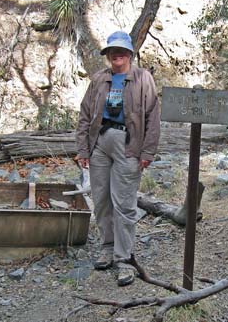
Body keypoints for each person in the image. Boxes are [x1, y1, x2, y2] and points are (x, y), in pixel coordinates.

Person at [76, 31, 161, 286]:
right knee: (101, 200)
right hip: (100, 144)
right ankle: (107, 247)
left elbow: (153, 118)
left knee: (124, 203)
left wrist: (147, 152)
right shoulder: (99, 79)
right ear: (108, 55)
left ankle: (124, 259)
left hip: (129, 146)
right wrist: (82, 149)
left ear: (130, 54)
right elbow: (84, 114)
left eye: (122, 51)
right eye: (113, 51)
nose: (117, 55)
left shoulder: (143, 78)